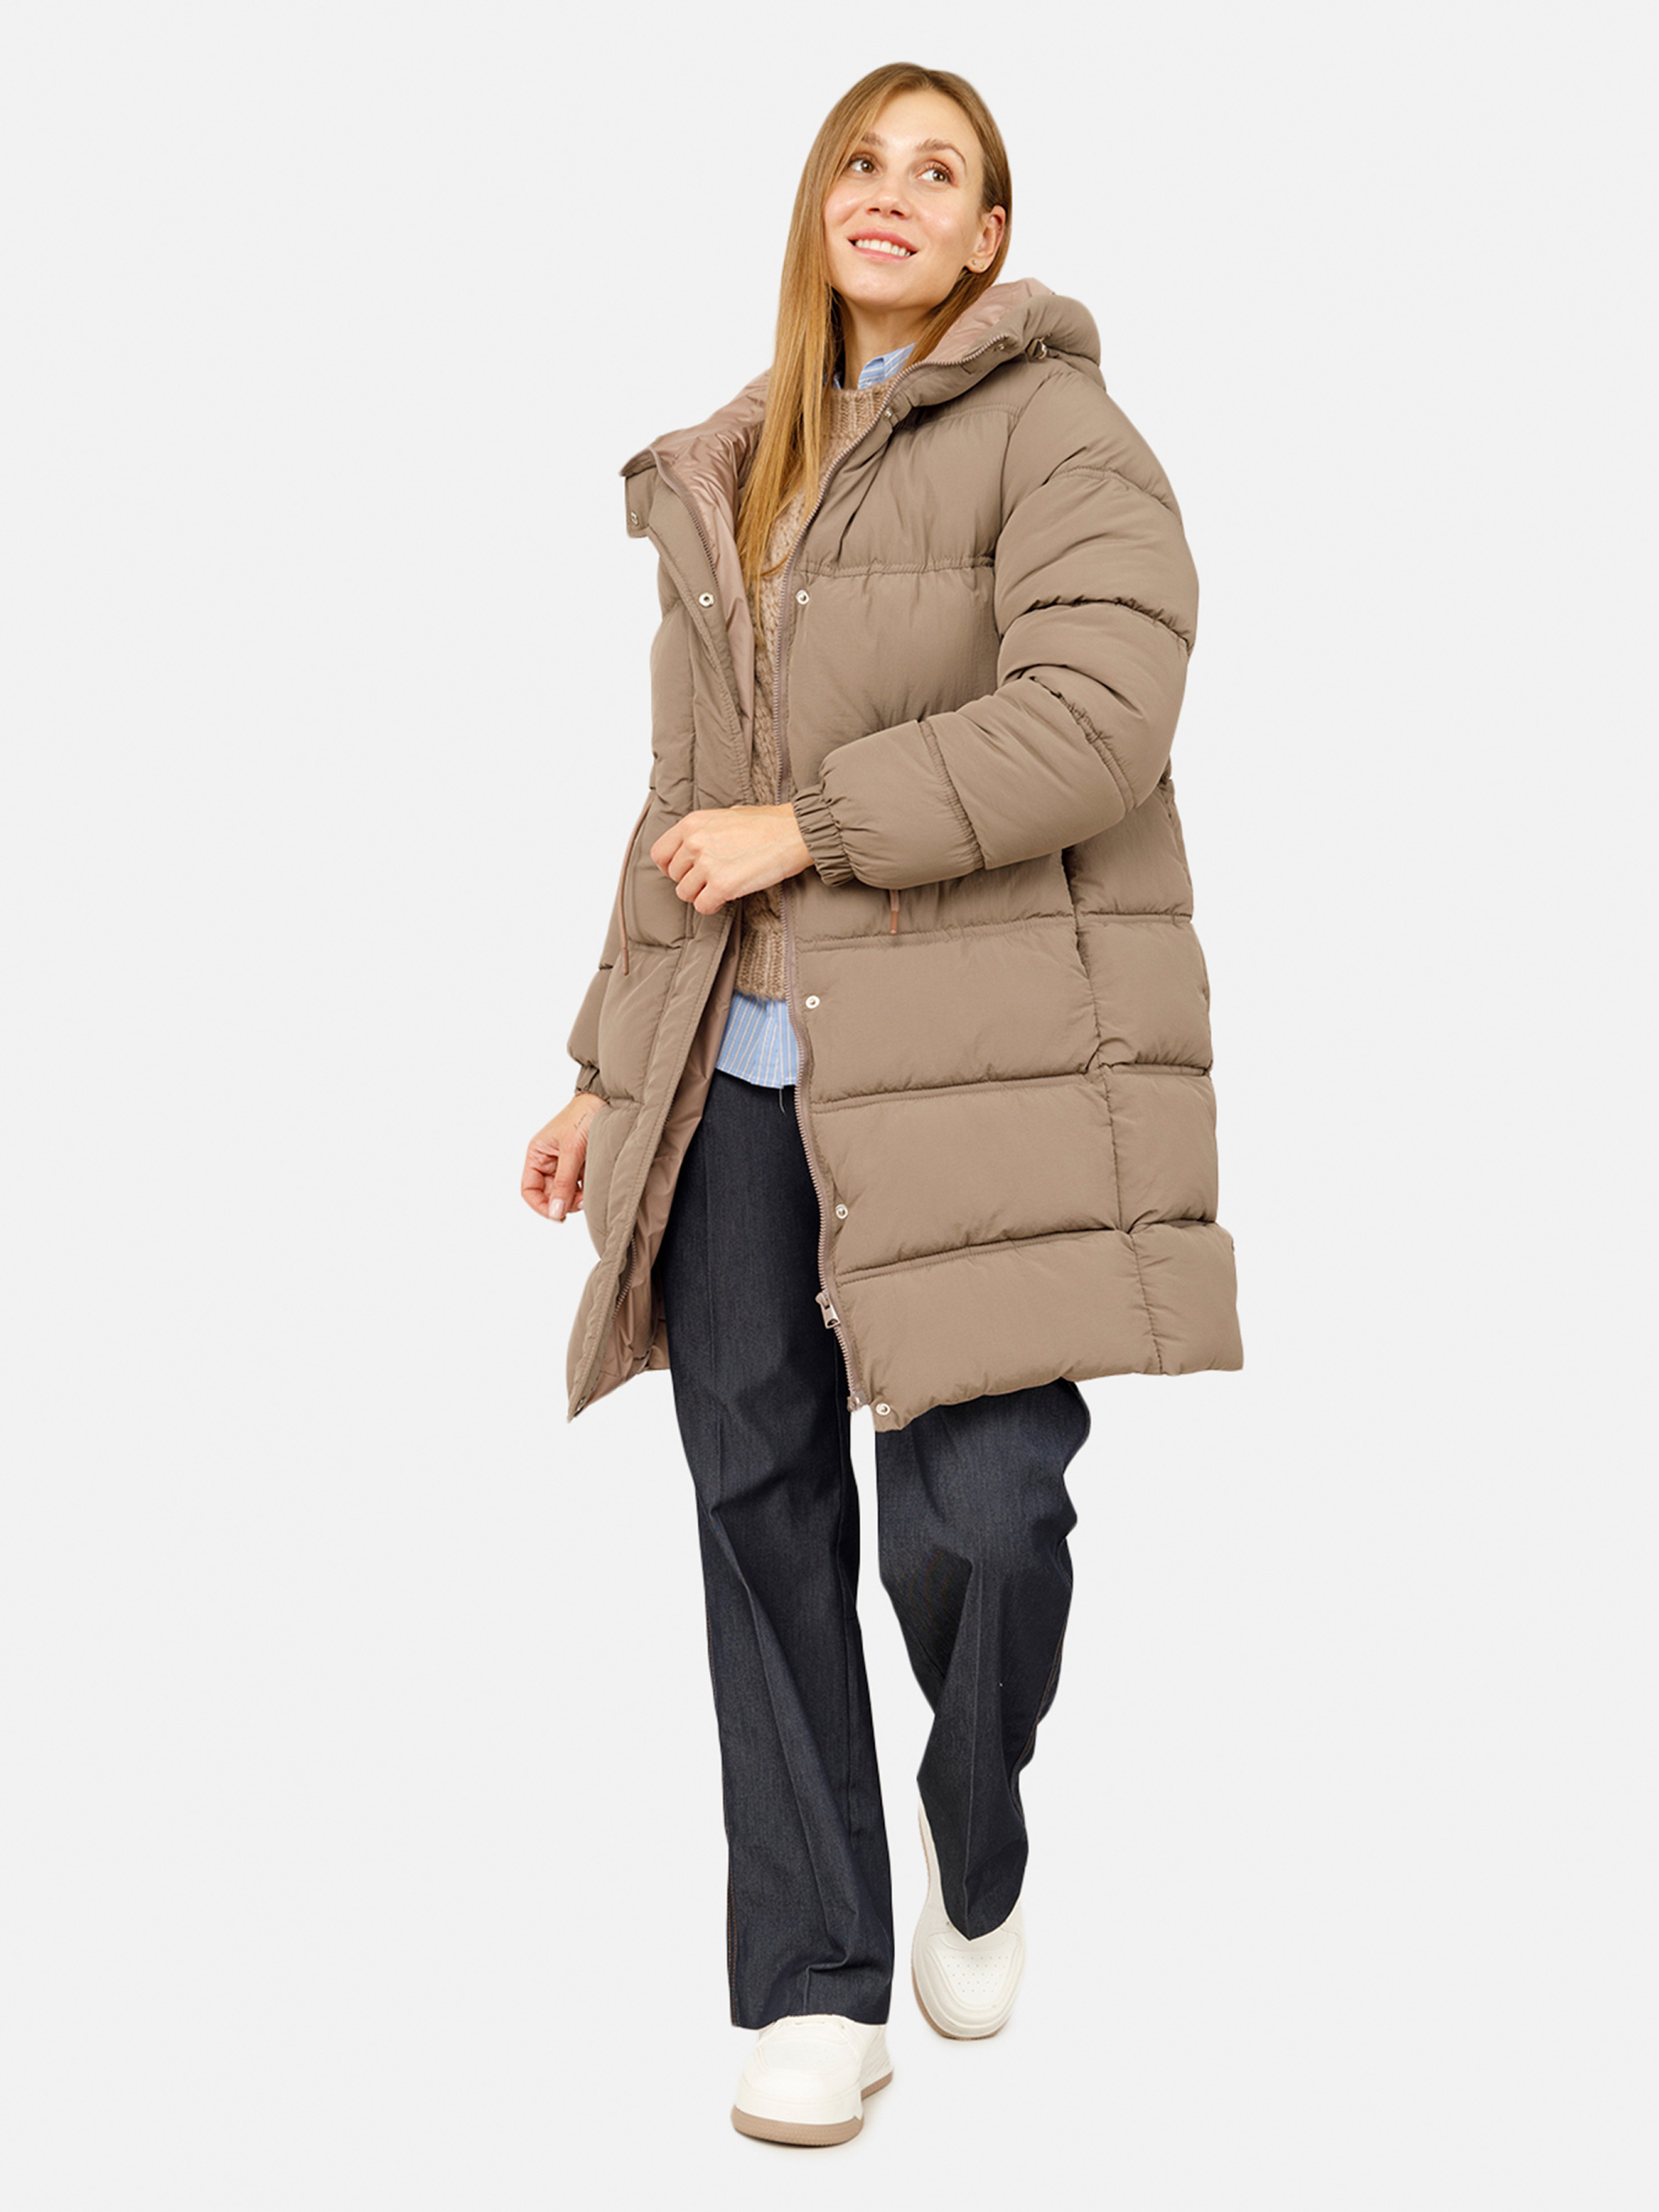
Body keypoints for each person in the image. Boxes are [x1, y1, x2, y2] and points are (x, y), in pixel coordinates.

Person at [522, 61, 1243, 2146]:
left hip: (975, 1072)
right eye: (861, 158)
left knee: (985, 1515)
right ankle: (812, 1985)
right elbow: (681, 811)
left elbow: (1096, 719)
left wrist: (812, 828)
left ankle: (973, 1815)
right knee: (756, 1511)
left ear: (990, 236)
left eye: (940, 172)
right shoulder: (735, 464)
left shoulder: (1061, 433)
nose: (891, 193)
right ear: (815, 202)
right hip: (732, 1071)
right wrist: (600, 1070)